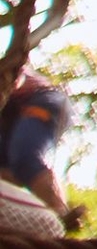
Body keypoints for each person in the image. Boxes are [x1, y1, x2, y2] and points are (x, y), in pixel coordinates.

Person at [0, 76, 69, 238]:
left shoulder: (9, 65)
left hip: (40, 99)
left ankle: (59, 211)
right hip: (9, 119)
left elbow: (16, 76)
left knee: (25, 157)